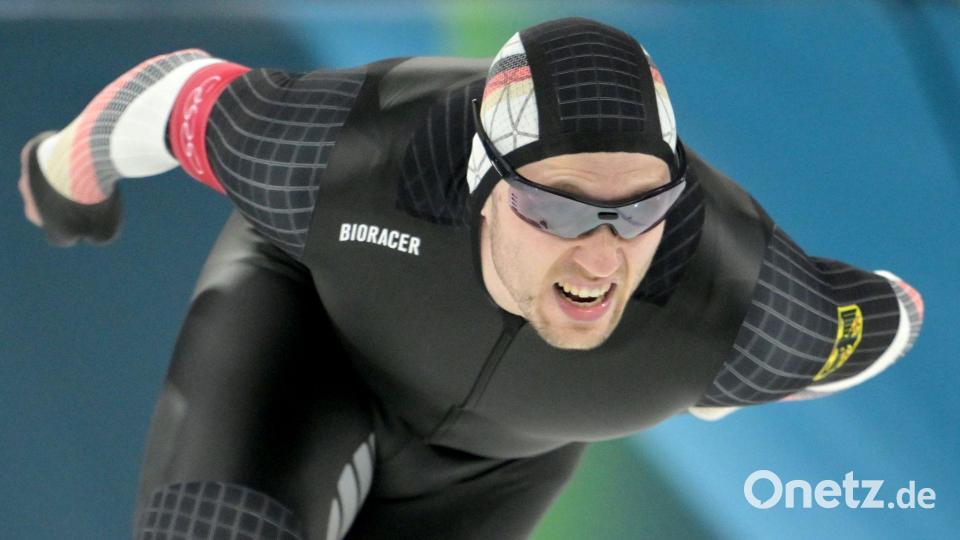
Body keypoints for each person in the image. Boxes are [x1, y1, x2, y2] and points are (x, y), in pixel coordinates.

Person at [18, 17, 924, 540]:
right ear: (480, 187)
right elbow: (173, 95)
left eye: (640, 211)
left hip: (494, 466)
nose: (602, 257)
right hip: (307, 336)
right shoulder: (340, 152)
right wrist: (64, 176)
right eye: (560, 210)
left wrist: (738, 383)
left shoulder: (741, 306)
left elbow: (892, 319)